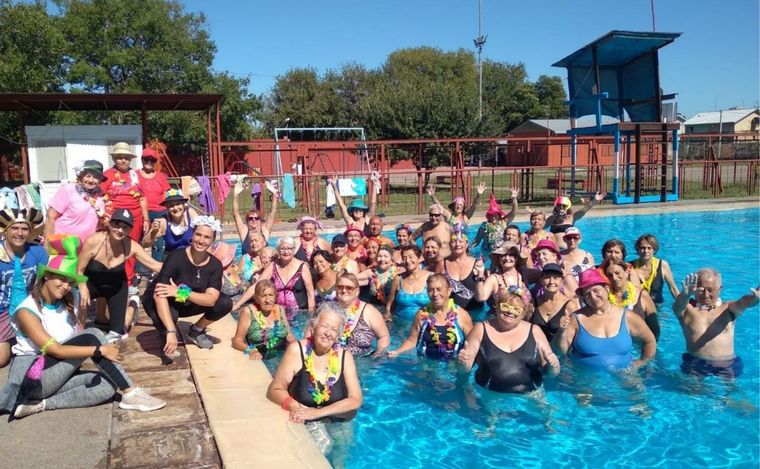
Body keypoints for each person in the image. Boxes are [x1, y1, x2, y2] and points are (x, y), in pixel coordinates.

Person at [0, 236, 164, 419]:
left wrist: (82, 307)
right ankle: (130, 392)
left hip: (55, 373)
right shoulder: (27, 310)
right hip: (32, 377)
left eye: (70, 282)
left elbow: (77, 333)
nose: (66, 286)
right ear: (46, 275)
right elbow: (55, 350)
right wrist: (99, 350)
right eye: (62, 279)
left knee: (107, 385)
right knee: (93, 335)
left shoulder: (68, 301)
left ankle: (38, 405)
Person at [142, 216, 233, 354]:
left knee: (224, 302)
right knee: (170, 318)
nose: (201, 240)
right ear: (192, 234)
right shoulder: (176, 257)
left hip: (182, 299)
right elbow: (159, 295)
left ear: (212, 240)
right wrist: (171, 331)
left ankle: (196, 330)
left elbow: (211, 300)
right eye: (198, 234)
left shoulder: (215, 265)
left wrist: (179, 292)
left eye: (207, 237)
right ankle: (165, 332)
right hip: (161, 300)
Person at [266, 301, 362, 423]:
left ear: (338, 335)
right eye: (324, 326)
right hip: (303, 421)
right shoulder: (297, 351)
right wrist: (294, 406)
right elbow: (274, 390)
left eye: (333, 329)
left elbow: (355, 399)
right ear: (313, 326)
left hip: (335, 422)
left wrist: (318, 413)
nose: (328, 333)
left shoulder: (345, 357)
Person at [78, 209, 162, 342]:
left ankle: (133, 304)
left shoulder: (131, 246)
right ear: (109, 224)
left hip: (116, 287)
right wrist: (82, 287)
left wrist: (182, 268)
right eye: (116, 225)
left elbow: (156, 266)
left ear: (130, 230)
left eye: (125, 227)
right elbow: (79, 270)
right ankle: (79, 330)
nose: (120, 230)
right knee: (77, 298)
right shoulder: (93, 241)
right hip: (92, 284)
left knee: (118, 333)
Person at [457, 288, 560, 393]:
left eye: (516, 309)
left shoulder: (535, 331)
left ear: (523, 313)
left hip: (531, 395)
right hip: (489, 395)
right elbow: (464, 369)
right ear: (497, 307)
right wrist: (462, 363)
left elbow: (550, 373)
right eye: (505, 306)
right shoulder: (480, 329)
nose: (510, 311)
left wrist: (554, 366)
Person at [553, 269, 656, 371]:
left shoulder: (627, 317)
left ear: (606, 288)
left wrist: (640, 363)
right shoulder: (576, 319)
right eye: (587, 294)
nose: (593, 296)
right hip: (586, 378)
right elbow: (561, 352)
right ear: (583, 298)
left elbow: (650, 341)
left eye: (596, 290)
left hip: (625, 376)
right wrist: (561, 331)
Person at [672, 269, 758, 378]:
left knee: (731, 389)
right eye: (701, 290)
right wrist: (685, 295)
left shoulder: (727, 309)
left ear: (719, 289)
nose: (706, 294)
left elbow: (743, 302)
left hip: (726, 363)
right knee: (691, 388)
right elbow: (677, 306)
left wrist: (755, 298)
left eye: (711, 290)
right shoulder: (687, 310)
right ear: (694, 289)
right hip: (695, 361)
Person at [0, 208, 47, 368]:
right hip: (2, 311)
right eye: (14, 228)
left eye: (24, 229)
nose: (19, 233)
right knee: (1, 359)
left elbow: (44, 283)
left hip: (27, 309)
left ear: (30, 231)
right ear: (5, 230)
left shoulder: (37, 252)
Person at [388, 274, 473, 360]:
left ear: (449, 291)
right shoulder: (422, 314)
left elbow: (472, 343)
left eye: (439, 289)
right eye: (430, 290)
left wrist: (466, 355)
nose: (435, 294)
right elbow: (412, 340)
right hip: (426, 365)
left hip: (454, 365)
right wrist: (397, 351)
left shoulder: (461, 315)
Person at [101, 142, 149, 289]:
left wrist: (146, 218)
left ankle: (128, 280)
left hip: (135, 218)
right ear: (114, 159)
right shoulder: (107, 175)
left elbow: (142, 198)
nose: (123, 160)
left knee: (130, 248)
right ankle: (111, 278)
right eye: (119, 157)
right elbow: (100, 197)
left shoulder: (135, 175)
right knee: (113, 248)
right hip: (115, 218)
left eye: (126, 158)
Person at [44, 160, 108, 245]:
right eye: (88, 176)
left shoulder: (101, 196)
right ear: (81, 176)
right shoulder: (69, 189)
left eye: (96, 177)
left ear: (100, 180)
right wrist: (47, 244)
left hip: (87, 246)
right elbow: (50, 217)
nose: (91, 180)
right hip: (62, 244)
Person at [327, 273, 390, 357]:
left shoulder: (369, 311)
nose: (344, 290)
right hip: (332, 359)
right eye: (340, 287)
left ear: (357, 292)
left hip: (363, 360)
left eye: (349, 288)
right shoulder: (327, 310)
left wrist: (377, 356)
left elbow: (384, 336)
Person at [232, 279, 294, 360]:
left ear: (275, 296)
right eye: (263, 296)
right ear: (256, 298)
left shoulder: (280, 309)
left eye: (271, 295)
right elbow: (237, 341)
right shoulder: (248, 311)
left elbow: (289, 336)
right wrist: (251, 350)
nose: (267, 300)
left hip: (281, 353)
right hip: (261, 356)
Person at [257, 237, 315, 317]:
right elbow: (258, 285)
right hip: (278, 312)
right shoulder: (273, 266)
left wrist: (311, 315)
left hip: (300, 313)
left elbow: (310, 293)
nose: (286, 252)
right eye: (282, 249)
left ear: (294, 250)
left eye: (289, 248)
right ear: (278, 250)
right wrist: (240, 303)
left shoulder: (302, 267)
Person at [604, 259, 659, 340]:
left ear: (626, 272)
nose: (614, 278)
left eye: (617, 273)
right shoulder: (605, 297)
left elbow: (655, 329)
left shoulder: (642, 295)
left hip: (639, 343)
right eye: (610, 275)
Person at [136, 148, 170, 263]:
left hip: (159, 212)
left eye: (152, 160)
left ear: (155, 162)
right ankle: (139, 269)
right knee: (139, 241)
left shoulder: (161, 177)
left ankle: (157, 267)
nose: (149, 162)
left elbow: (167, 194)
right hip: (140, 212)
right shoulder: (135, 175)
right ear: (142, 160)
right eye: (146, 159)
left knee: (158, 242)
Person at [142, 189, 200, 257]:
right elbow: (145, 244)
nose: (175, 208)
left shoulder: (190, 214)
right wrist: (153, 232)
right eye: (171, 206)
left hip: (191, 257)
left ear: (184, 205)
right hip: (172, 258)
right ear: (166, 208)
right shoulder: (163, 221)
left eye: (178, 204)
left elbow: (204, 230)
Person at [474, 242, 530, 308]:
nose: (507, 258)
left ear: (517, 258)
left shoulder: (523, 274)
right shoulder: (494, 279)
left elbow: (541, 275)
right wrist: (480, 275)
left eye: (511, 255)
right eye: (503, 255)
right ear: (499, 259)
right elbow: (481, 298)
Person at [530, 263, 577, 343]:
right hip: (536, 348)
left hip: (559, 349)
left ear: (561, 281)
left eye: (555, 278)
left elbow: (574, 336)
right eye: (547, 278)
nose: (551, 281)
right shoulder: (533, 303)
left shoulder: (570, 306)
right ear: (541, 280)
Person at [443, 223, 485, 312]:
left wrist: (480, 275)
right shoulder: (442, 263)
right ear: (449, 245)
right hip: (452, 314)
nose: (457, 244)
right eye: (453, 241)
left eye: (461, 241)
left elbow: (482, 297)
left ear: (466, 245)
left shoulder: (477, 264)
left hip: (475, 313)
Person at [232, 178, 278, 253]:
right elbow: (236, 214)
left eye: (256, 218)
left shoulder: (265, 230)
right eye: (251, 218)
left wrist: (274, 194)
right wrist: (235, 195)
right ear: (247, 221)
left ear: (260, 220)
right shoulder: (244, 232)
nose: (254, 220)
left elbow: (272, 213)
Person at [387, 245, 431, 321]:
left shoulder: (430, 277)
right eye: (404, 258)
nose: (407, 261)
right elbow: (390, 303)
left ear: (419, 258)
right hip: (400, 325)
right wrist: (387, 316)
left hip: (424, 324)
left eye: (411, 257)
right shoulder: (398, 279)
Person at [631, 234, 679, 303]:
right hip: (638, 306)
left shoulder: (662, 265)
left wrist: (685, 305)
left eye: (649, 248)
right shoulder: (630, 266)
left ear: (654, 250)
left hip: (657, 306)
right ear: (637, 249)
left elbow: (673, 288)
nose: (646, 251)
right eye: (642, 248)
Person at [472, 189, 519, 254]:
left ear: (499, 215)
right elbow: (476, 240)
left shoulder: (503, 222)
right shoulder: (484, 226)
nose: (493, 217)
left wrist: (514, 198)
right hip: (486, 252)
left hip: (500, 252)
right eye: (491, 215)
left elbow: (514, 212)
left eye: (495, 215)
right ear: (488, 216)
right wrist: (468, 251)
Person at [357, 245, 397, 310]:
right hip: (375, 309)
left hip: (393, 310)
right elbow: (352, 279)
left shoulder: (397, 273)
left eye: (385, 256)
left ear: (392, 260)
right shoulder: (371, 272)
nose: (382, 259)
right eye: (379, 256)